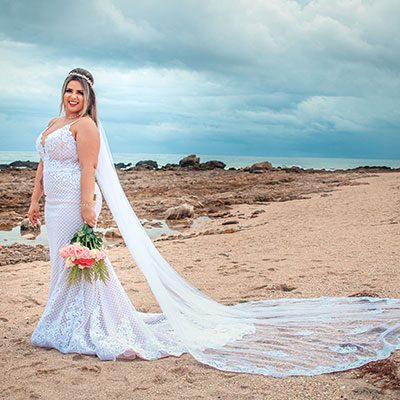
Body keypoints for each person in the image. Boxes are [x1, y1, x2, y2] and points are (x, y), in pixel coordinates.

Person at [28, 68, 400, 377]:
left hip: (75, 207)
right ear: (62, 93)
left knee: (84, 265)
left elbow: (88, 169)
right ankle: (63, 318)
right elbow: (44, 165)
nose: (72, 96)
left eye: (79, 92)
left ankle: (90, 324)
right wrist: (33, 202)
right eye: (68, 90)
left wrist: (88, 208)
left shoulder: (87, 127)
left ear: (89, 98)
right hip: (54, 207)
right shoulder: (53, 123)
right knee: (59, 265)